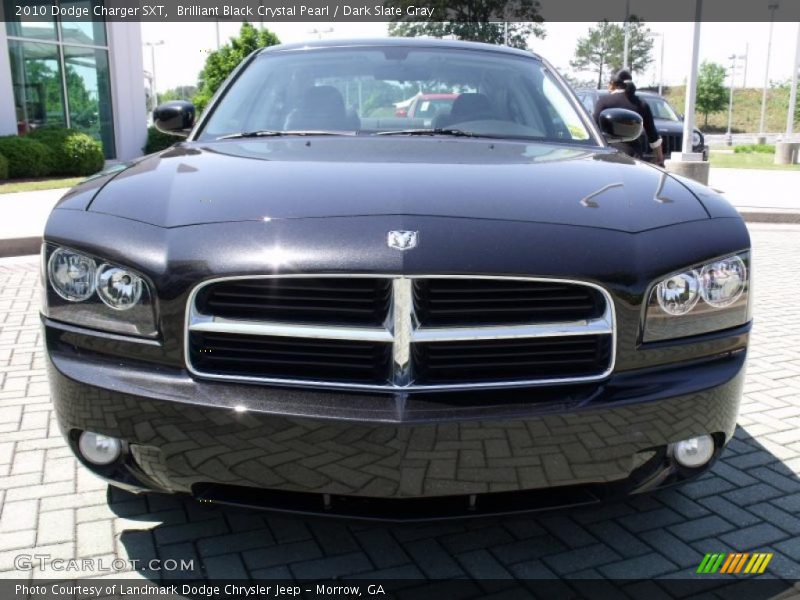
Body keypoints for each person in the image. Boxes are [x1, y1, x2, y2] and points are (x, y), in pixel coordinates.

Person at [593, 69, 664, 166]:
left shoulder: (603, 102)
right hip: (634, 159)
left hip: (608, 157)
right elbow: (653, 136)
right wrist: (660, 160)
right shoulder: (641, 104)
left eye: (608, 83)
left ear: (613, 84)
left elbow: (593, 130)